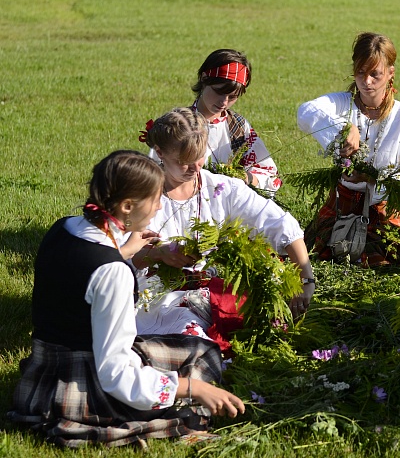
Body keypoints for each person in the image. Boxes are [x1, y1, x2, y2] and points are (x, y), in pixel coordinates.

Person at [8, 150, 245, 447]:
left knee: (193, 348)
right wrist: (192, 388)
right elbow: (115, 374)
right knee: (203, 354)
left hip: (42, 376)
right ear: (127, 206)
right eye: (155, 199)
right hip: (82, 390)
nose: (159, 206)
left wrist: (129, 252)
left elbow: (80, 284)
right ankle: (185, 421)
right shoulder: (113, 272)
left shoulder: (63, 229)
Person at [134, 108, 314, 354]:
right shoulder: (142, 195)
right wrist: (158, 254)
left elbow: (280, 224)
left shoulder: (220, 189)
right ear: (160, 152)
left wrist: (306, 280)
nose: (194, 168)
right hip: (159, 298)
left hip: (213, 292)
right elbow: (117, 255)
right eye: (184, 161)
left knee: (267, 323)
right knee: (191, 338)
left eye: (199, 157)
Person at [297, 32, 400, 266]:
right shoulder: (342, 104)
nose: (367, 82)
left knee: (389, 254)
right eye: (360, 72)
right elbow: (305, 112)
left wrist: (371, 180)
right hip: (343, 202)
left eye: (375, 74)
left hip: (383, 205)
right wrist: (345, 127)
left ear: (390, 73)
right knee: (327, 250)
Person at [146, 49, 282, 195]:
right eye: (219, 92)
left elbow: (270, 177)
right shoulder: (179, 125)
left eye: (232, 97)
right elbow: (152, 175)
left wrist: (246, 177)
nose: (224, 102)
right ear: (204, 79)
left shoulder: (238, 127)